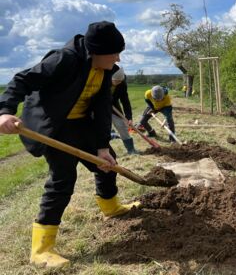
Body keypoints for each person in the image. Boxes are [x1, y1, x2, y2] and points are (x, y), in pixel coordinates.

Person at [0, 21, 140, 268]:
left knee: (107, 164)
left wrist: (102, 147)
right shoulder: (64, 59)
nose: (118, 58)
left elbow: (102, 108)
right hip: (54, 126)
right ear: (96, 51)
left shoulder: (106, 69)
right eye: (114, 52)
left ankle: (111, 208)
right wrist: (5, 111)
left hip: (81, 123)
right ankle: (41, 249)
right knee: (63, 179)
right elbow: (22, 80)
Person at [111, 65, 138, 154]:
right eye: (116, 81)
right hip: (98, 107)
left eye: (119, 81)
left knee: (121, 126)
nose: (118, 82)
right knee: (101, 128)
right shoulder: (102, 81)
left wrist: (129, 117)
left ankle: (131, 149)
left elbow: (125, 101)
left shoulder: (122, 84)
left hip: (114, 107)